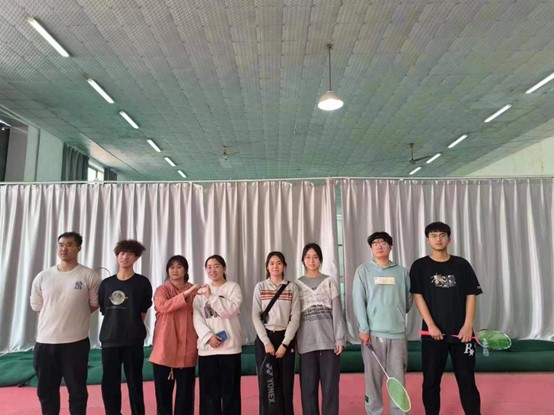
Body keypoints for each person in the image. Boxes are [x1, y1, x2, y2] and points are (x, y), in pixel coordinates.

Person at [410, 221, 482, 415]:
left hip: (462, 335)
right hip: (433, 335)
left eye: (442, 235)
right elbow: (418, 296)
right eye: (433, 236)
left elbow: (471, 295)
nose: (438, 239)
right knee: (431, 381)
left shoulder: (461, 265)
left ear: (449, 239)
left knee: (467, 380)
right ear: (427, 240)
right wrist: (431, 325)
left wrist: (468, 325)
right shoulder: (420, 266)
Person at [30, 231, 101, 415]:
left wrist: (73, 315)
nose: (64, 249)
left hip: (76, 343)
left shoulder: (89, 276)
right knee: (46, 390)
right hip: (45, 342)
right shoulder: (43, 276)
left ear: (78, 248)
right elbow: (37, 306)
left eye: (69, 245)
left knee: (77, 390)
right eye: (61, 245)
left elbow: (94, 305)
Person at [352, 231, 412, 415]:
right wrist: (363, 328)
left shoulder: (401, 272)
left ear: (390, 247)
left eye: (384, 243)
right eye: (375, 243)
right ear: (371, 248)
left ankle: (399, 412)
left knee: (398, 380)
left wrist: (395, 313)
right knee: (373, 381)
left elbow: (408, 301)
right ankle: (374, 412)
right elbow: (358, 301)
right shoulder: (363, 271)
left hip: (397, 335)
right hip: (372, 335)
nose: (379, 246)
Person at [98, 239, 153, 415]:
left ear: (136, 258)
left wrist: (131, 326)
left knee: (135, 382)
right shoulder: (106, 284)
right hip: (110, 339)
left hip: (133, 340)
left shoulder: (142, 282)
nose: (125, 257)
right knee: (110, 383)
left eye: (130, 254)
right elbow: (104, 310)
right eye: (122, 253)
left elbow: (142, 312)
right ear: (116, 256)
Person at [295, 242, 346, 415]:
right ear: (303, 260)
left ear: (321, 259)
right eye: (308, 257)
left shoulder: (329, 282)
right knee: (308, 389)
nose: (312, 260)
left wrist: (339, 338)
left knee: (330, 388)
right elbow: (294, 317)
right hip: (306, 344)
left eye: (315, 257)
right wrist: (296, 342)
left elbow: (337, 312)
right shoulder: (296, 285)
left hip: (329, 343)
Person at [149, 255, 200, 415]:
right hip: (164, 348)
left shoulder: (194, 291)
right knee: (163, 397)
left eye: (179, 267)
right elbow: (163, 306)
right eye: (171, 267)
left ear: (185, 270)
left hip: (187, 348)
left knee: (186, 396)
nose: (175, 270)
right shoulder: (162, 290)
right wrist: (186, 294)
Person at [252, 251, 301, 415]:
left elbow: (295, 317)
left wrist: (285, 344)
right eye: (271, 263)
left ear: (284, 266)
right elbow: (255, 316)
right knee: (267, 385)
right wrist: (266, 342)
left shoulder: (292, 287)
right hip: (265, 339)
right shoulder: (260, 287)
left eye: (279, 263)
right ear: (267, 267)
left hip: (285, 339)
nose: (275, 266)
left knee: (286, 386)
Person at [193, 254, 243, 415]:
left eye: (216, 266)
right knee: (209, 395)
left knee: (231, 393)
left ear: (224, 268)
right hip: (208, 350)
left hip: (230, 349)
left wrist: (211, 297)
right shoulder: (200, 292)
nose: (212, 270)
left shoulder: (233, 287)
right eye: (209, 267)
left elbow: (231, 310)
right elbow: (197, 318)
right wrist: (208, 337)